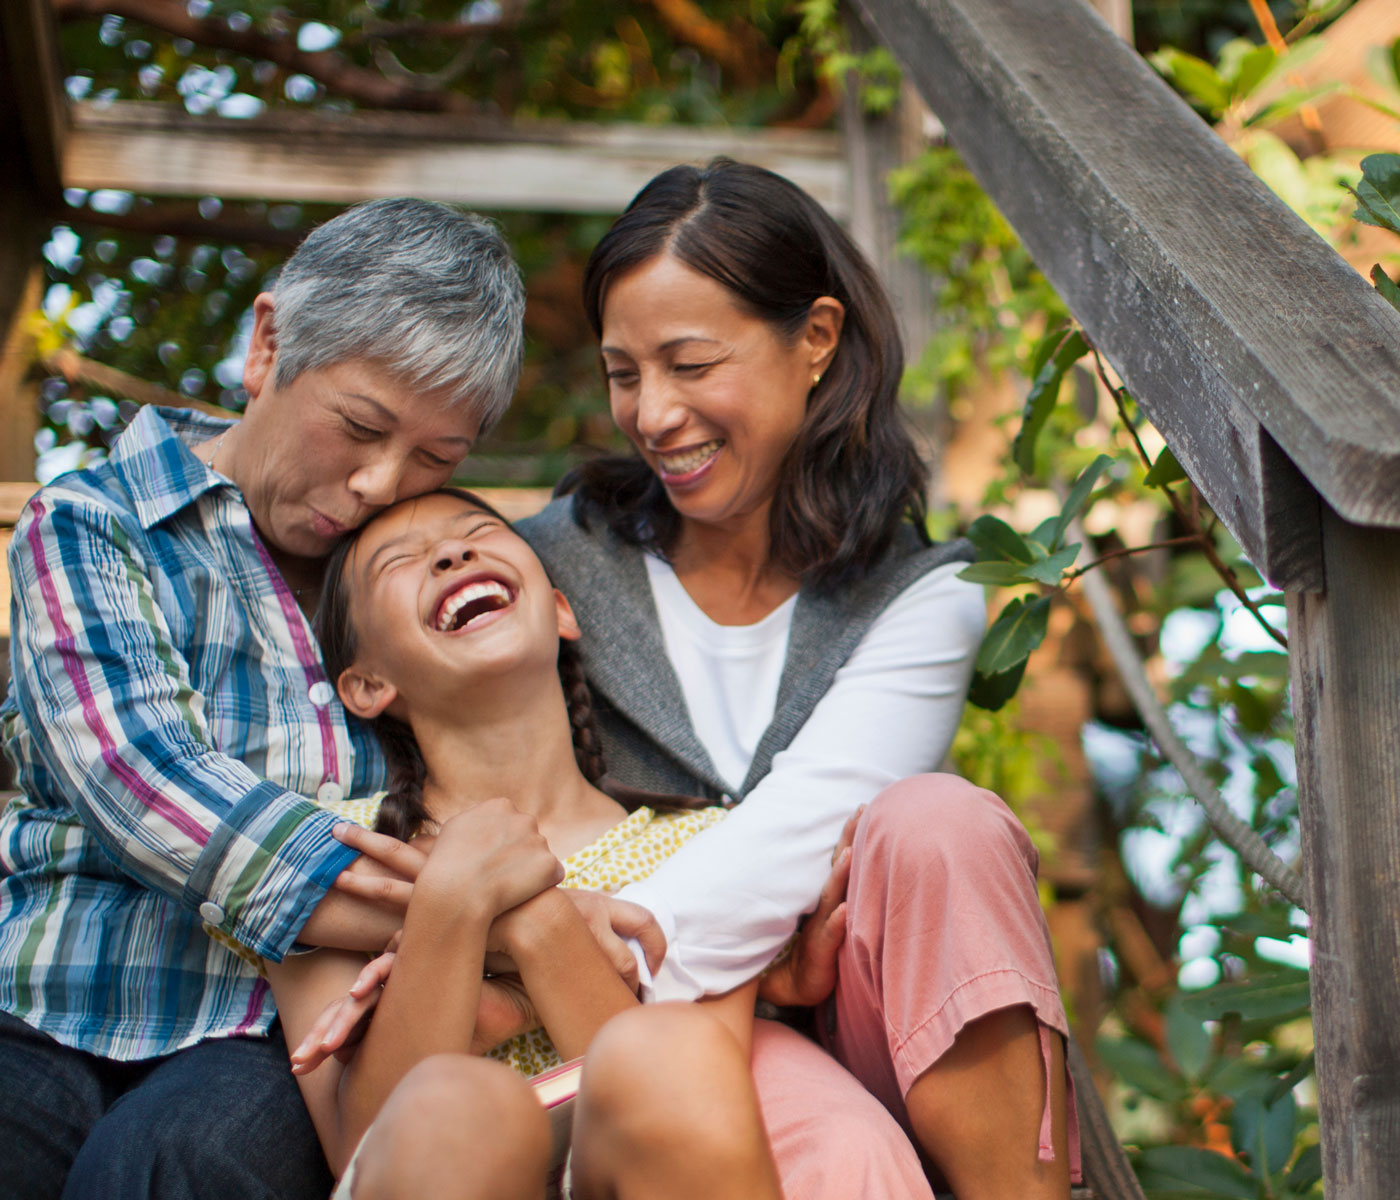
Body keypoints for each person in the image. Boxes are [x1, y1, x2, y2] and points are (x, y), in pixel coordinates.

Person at [0, 198, 665, 1198]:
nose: (375, 484)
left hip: (267, 1032)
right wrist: (495, 917)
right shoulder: (97, 525)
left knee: (177, 1160)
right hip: (45, 1000)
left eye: (436, 459)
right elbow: (147, 788)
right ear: (266, 346)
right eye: (359, 426)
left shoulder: (397, 600)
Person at [514, 158, 1081, 1200]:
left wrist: (575, 928)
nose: (650, 413)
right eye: (623, 372)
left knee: (938, 824)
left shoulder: (923, 595)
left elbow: (798, 832)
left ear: (814, 339)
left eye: (689, 364)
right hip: (622, 1047)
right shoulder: (550, 568)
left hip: (859, 1021)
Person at [266, 486, 793, 1199]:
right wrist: (454, 897)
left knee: (674, 1046)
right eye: (402, 560)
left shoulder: (709, 843)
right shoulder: (326, 847)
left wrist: (537, 925)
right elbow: (358, 1144)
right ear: (365, 685)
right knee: (462, 1105)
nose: (452, 553)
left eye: (477, 532)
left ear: (562, 610)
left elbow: (695, 1095)